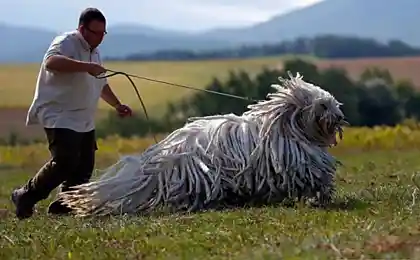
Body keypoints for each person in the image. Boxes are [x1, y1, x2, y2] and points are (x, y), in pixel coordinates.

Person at [11, 7, 133, 219]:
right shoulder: (66, 41)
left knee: (85, 166)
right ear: (81, 28)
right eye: (95, 33)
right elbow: (51, 62)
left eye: (102, 33)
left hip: (84, 116)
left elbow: (100, 84)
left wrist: (117, 105)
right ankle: (26, 195)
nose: (99, 38)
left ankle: (64, 206)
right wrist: (86, 66)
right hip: (59, 112)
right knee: (65, 161)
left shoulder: (95, 51)